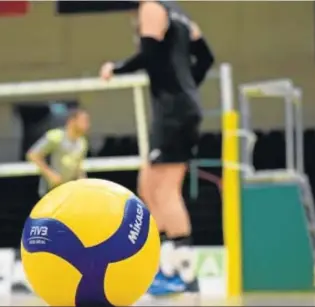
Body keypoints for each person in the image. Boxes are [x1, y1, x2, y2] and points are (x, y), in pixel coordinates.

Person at [99, 0, 214, 296]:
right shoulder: (182, 16)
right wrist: (188, 87)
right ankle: (165, 267)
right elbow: (206, 58)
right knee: (148, 187)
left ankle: (184, 276)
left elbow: (149, 55)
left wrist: (117, 68)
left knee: (166, 190)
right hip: (176, 110)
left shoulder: (153, 7)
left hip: (175, 112)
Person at [27, 108, 90, 197]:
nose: (87, 125)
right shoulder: (55, 136)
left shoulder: (82, 142)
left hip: (69, 190)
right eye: (84, 121)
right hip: (50, 190)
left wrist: (83, 182)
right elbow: (33, 155)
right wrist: (50, 174)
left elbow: (78, 166)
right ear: (72, 121)